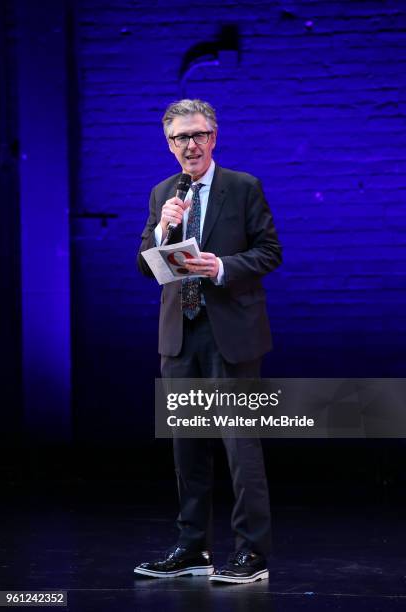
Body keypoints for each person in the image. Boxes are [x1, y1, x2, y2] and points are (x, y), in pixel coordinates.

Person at [135, 99, 282, 584]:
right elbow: (144, 262)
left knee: (241, 447)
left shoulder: (242, 188)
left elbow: (268, 252)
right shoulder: (163, 194)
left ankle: (251, 554)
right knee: (187, 448)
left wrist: (219, 266)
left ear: (213, 138)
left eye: (198, 135)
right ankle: (193, 547)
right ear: (169, 144)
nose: (190, 145)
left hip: (231, 335)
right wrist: (162, 230)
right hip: (179, 336)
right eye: (180, 138)